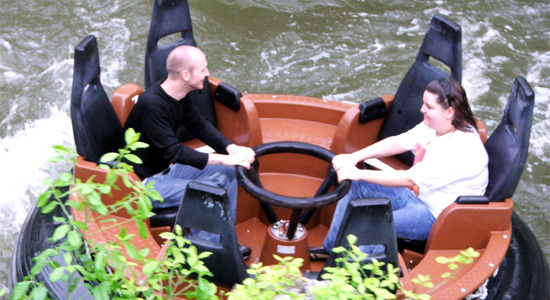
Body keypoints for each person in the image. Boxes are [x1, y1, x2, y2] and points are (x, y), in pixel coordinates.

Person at [310, 78, 488, 260]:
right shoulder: (435, 126)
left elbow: (408, 179)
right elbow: (397, 142)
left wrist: (356, 172)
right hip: (415, 194)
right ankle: (332, 250)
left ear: (450, 112)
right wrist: (354, 157)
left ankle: (350, 273)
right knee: (356, 186)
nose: (422, 110)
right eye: (423, 104)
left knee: (377, 223)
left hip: (435, 215)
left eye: (429, 107)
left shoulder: (460, 148)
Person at [124, 45, 255, 244]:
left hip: (167, 172)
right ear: (186, 74)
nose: (207, 74)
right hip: (144, 184)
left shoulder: (179, 95)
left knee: (229, 172)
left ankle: (223, 241)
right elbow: (175, 152)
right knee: (210, 193)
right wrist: (225, 159)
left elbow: (199, 124)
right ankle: (205, 251)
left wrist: (231, 148)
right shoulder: (152, 105)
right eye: (203, 70)